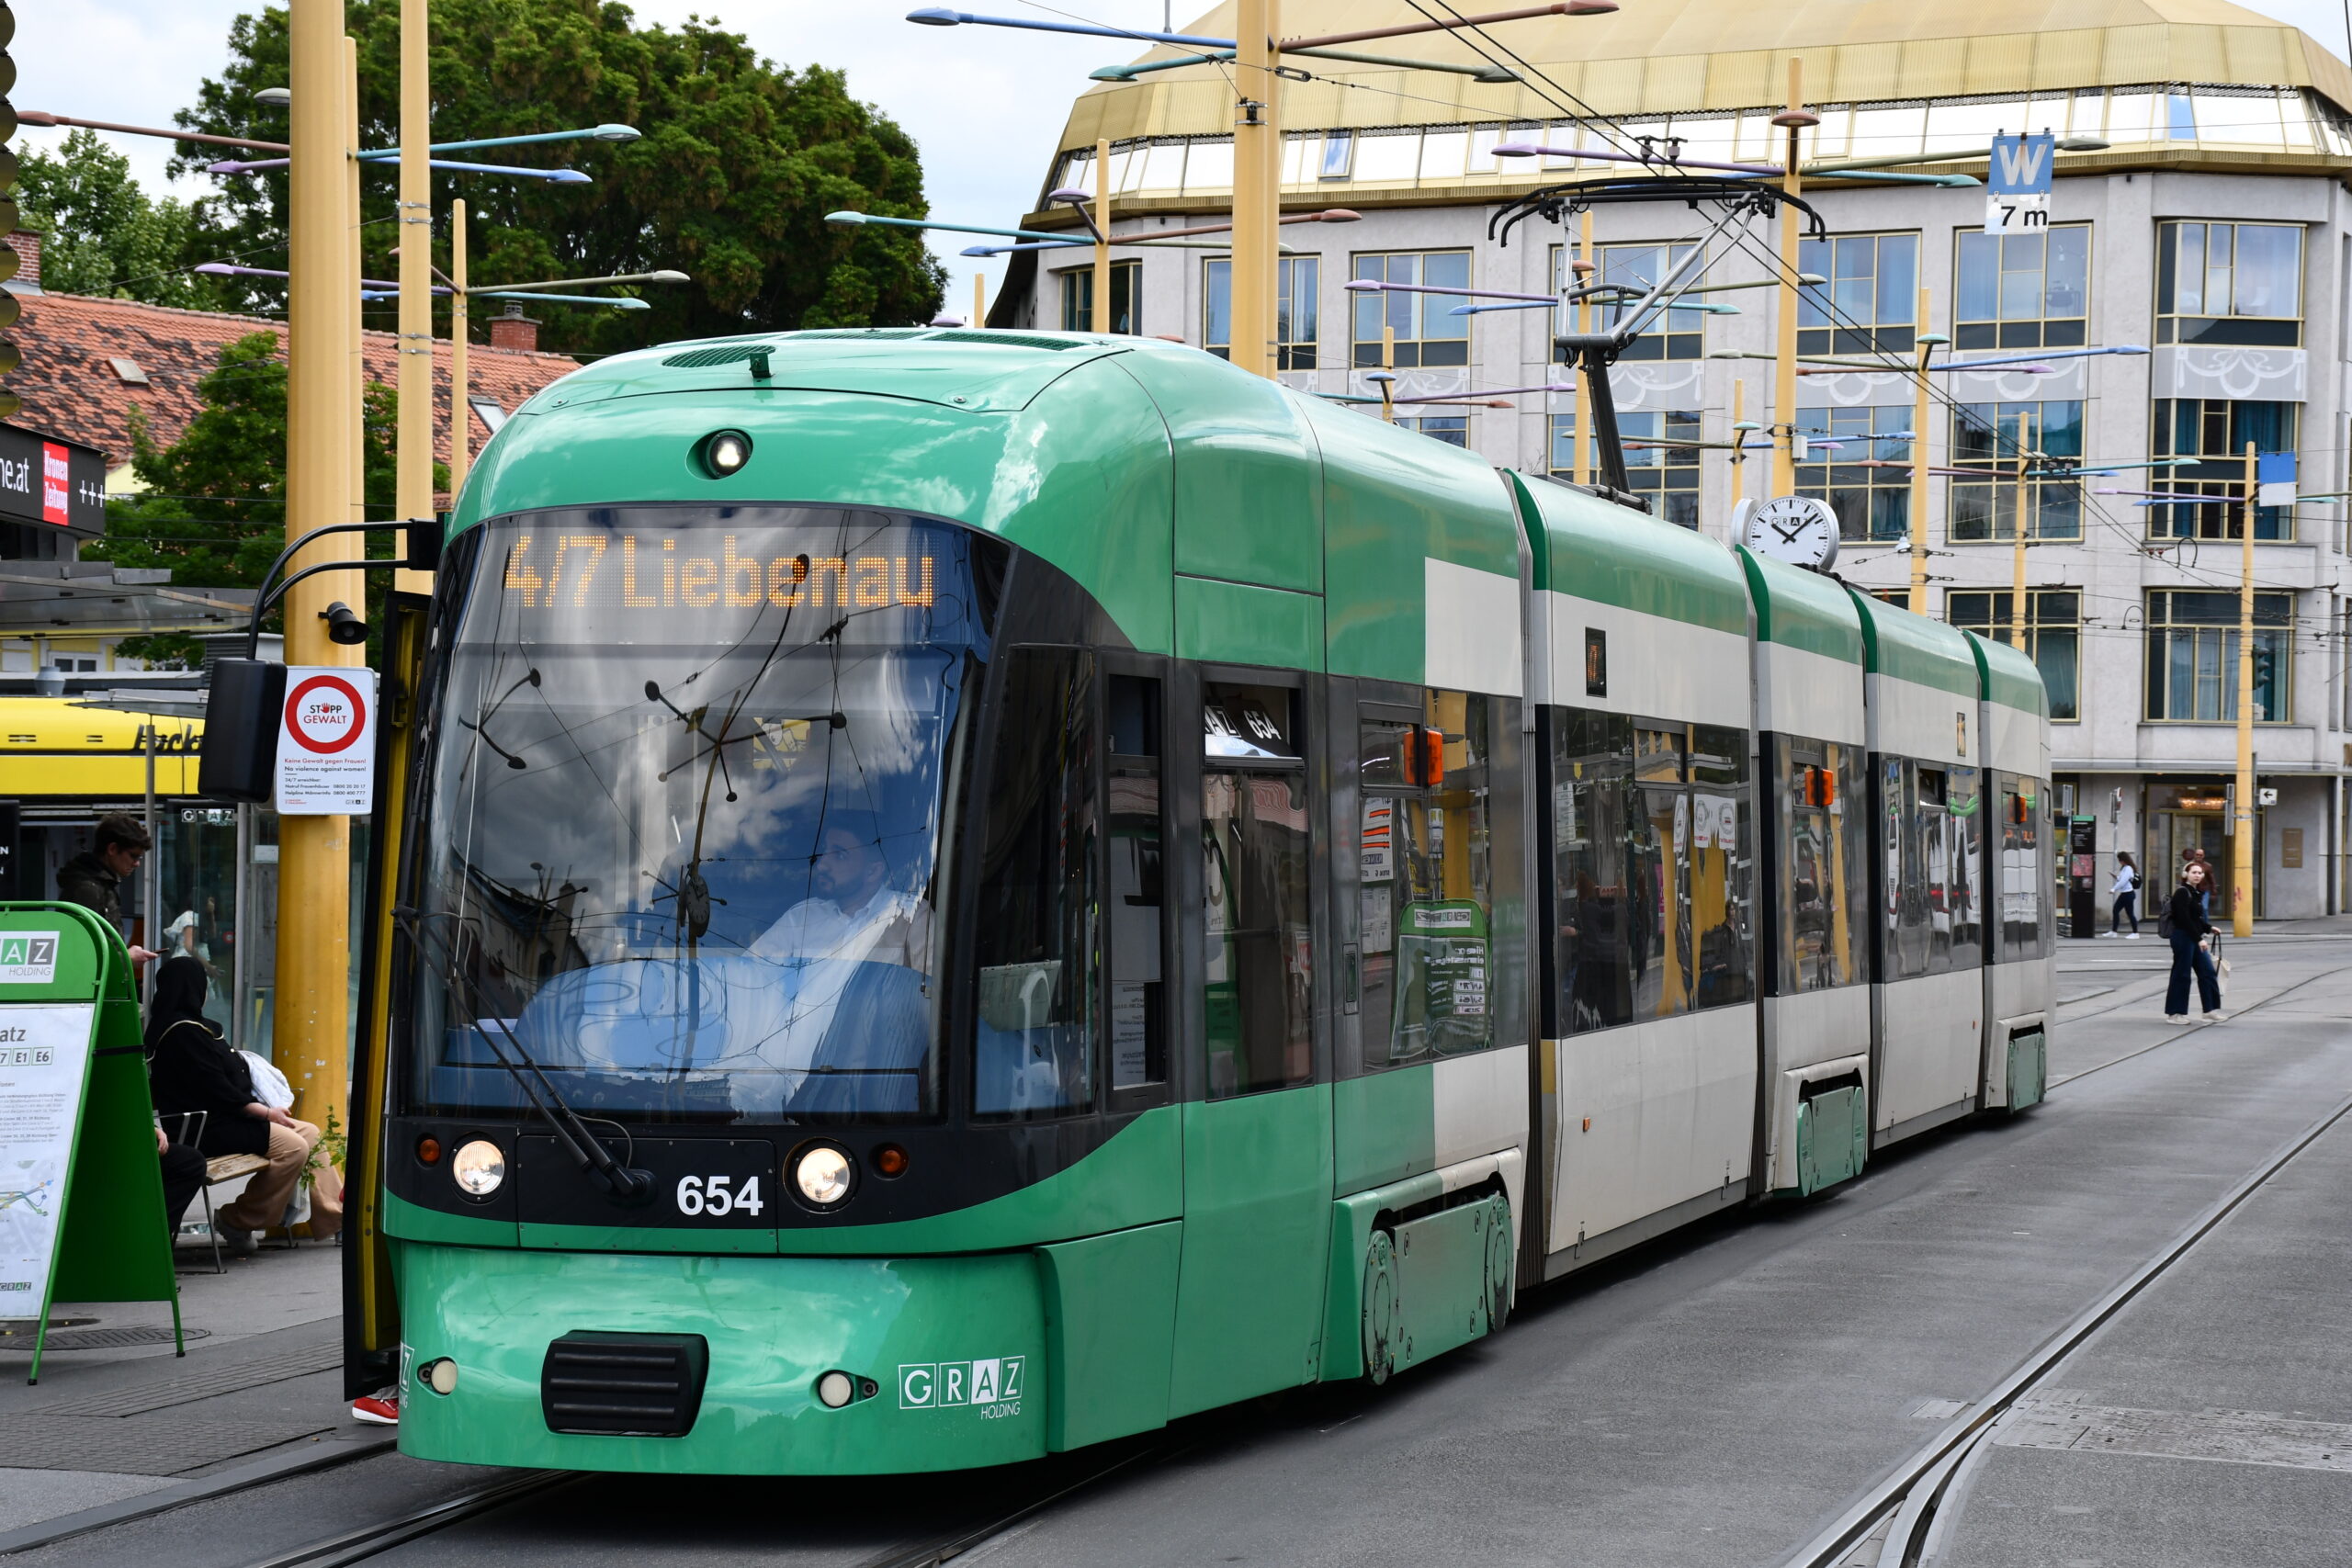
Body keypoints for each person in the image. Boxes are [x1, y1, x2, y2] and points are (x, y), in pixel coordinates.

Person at [143, 955, 341, 1253]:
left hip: (230, 1117)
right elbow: (215, 1088)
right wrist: (264, 1111)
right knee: (293, 1148)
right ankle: (238, 1219)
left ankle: (336, 1219)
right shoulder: (181, 1033)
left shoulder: (196, 1027)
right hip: (206, 1126)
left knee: (310, 1133)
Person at [57, 813, 159, 964]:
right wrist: (126, 957)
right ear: (112, 849)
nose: (137, 863)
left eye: (139, 858)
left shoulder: (100, 884)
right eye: (133, 856)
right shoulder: (87, 889)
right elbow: (80, 953)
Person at [2163, 860, 2225, 1024]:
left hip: (2194, 937)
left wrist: (2208, 928)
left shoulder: (2196, 893)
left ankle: (2210, 1010)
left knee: (2208, 972)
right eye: (2193, 873)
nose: (2197, 875)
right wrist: (2199, 939)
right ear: (2186, 875)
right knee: (2181, 974)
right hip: (2183, 937)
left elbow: (2194, 919)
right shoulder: (2182, 892)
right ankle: (2175, 1014)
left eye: (2199, 873)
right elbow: (2182, 918)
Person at [2108, 852, 2141, 939]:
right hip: (2125, 894)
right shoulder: (2125, 868)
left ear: (2123, 860)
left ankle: (2135, 933)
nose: (2119, 862)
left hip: (2128, 894)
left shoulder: (2128, 868)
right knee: (2116, 910)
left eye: (2120, 860)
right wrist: (2115, 877)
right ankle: (2114, 932)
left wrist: (2114, 889)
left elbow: (2123, 881)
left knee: (2130, 913)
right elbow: (2121, 879)